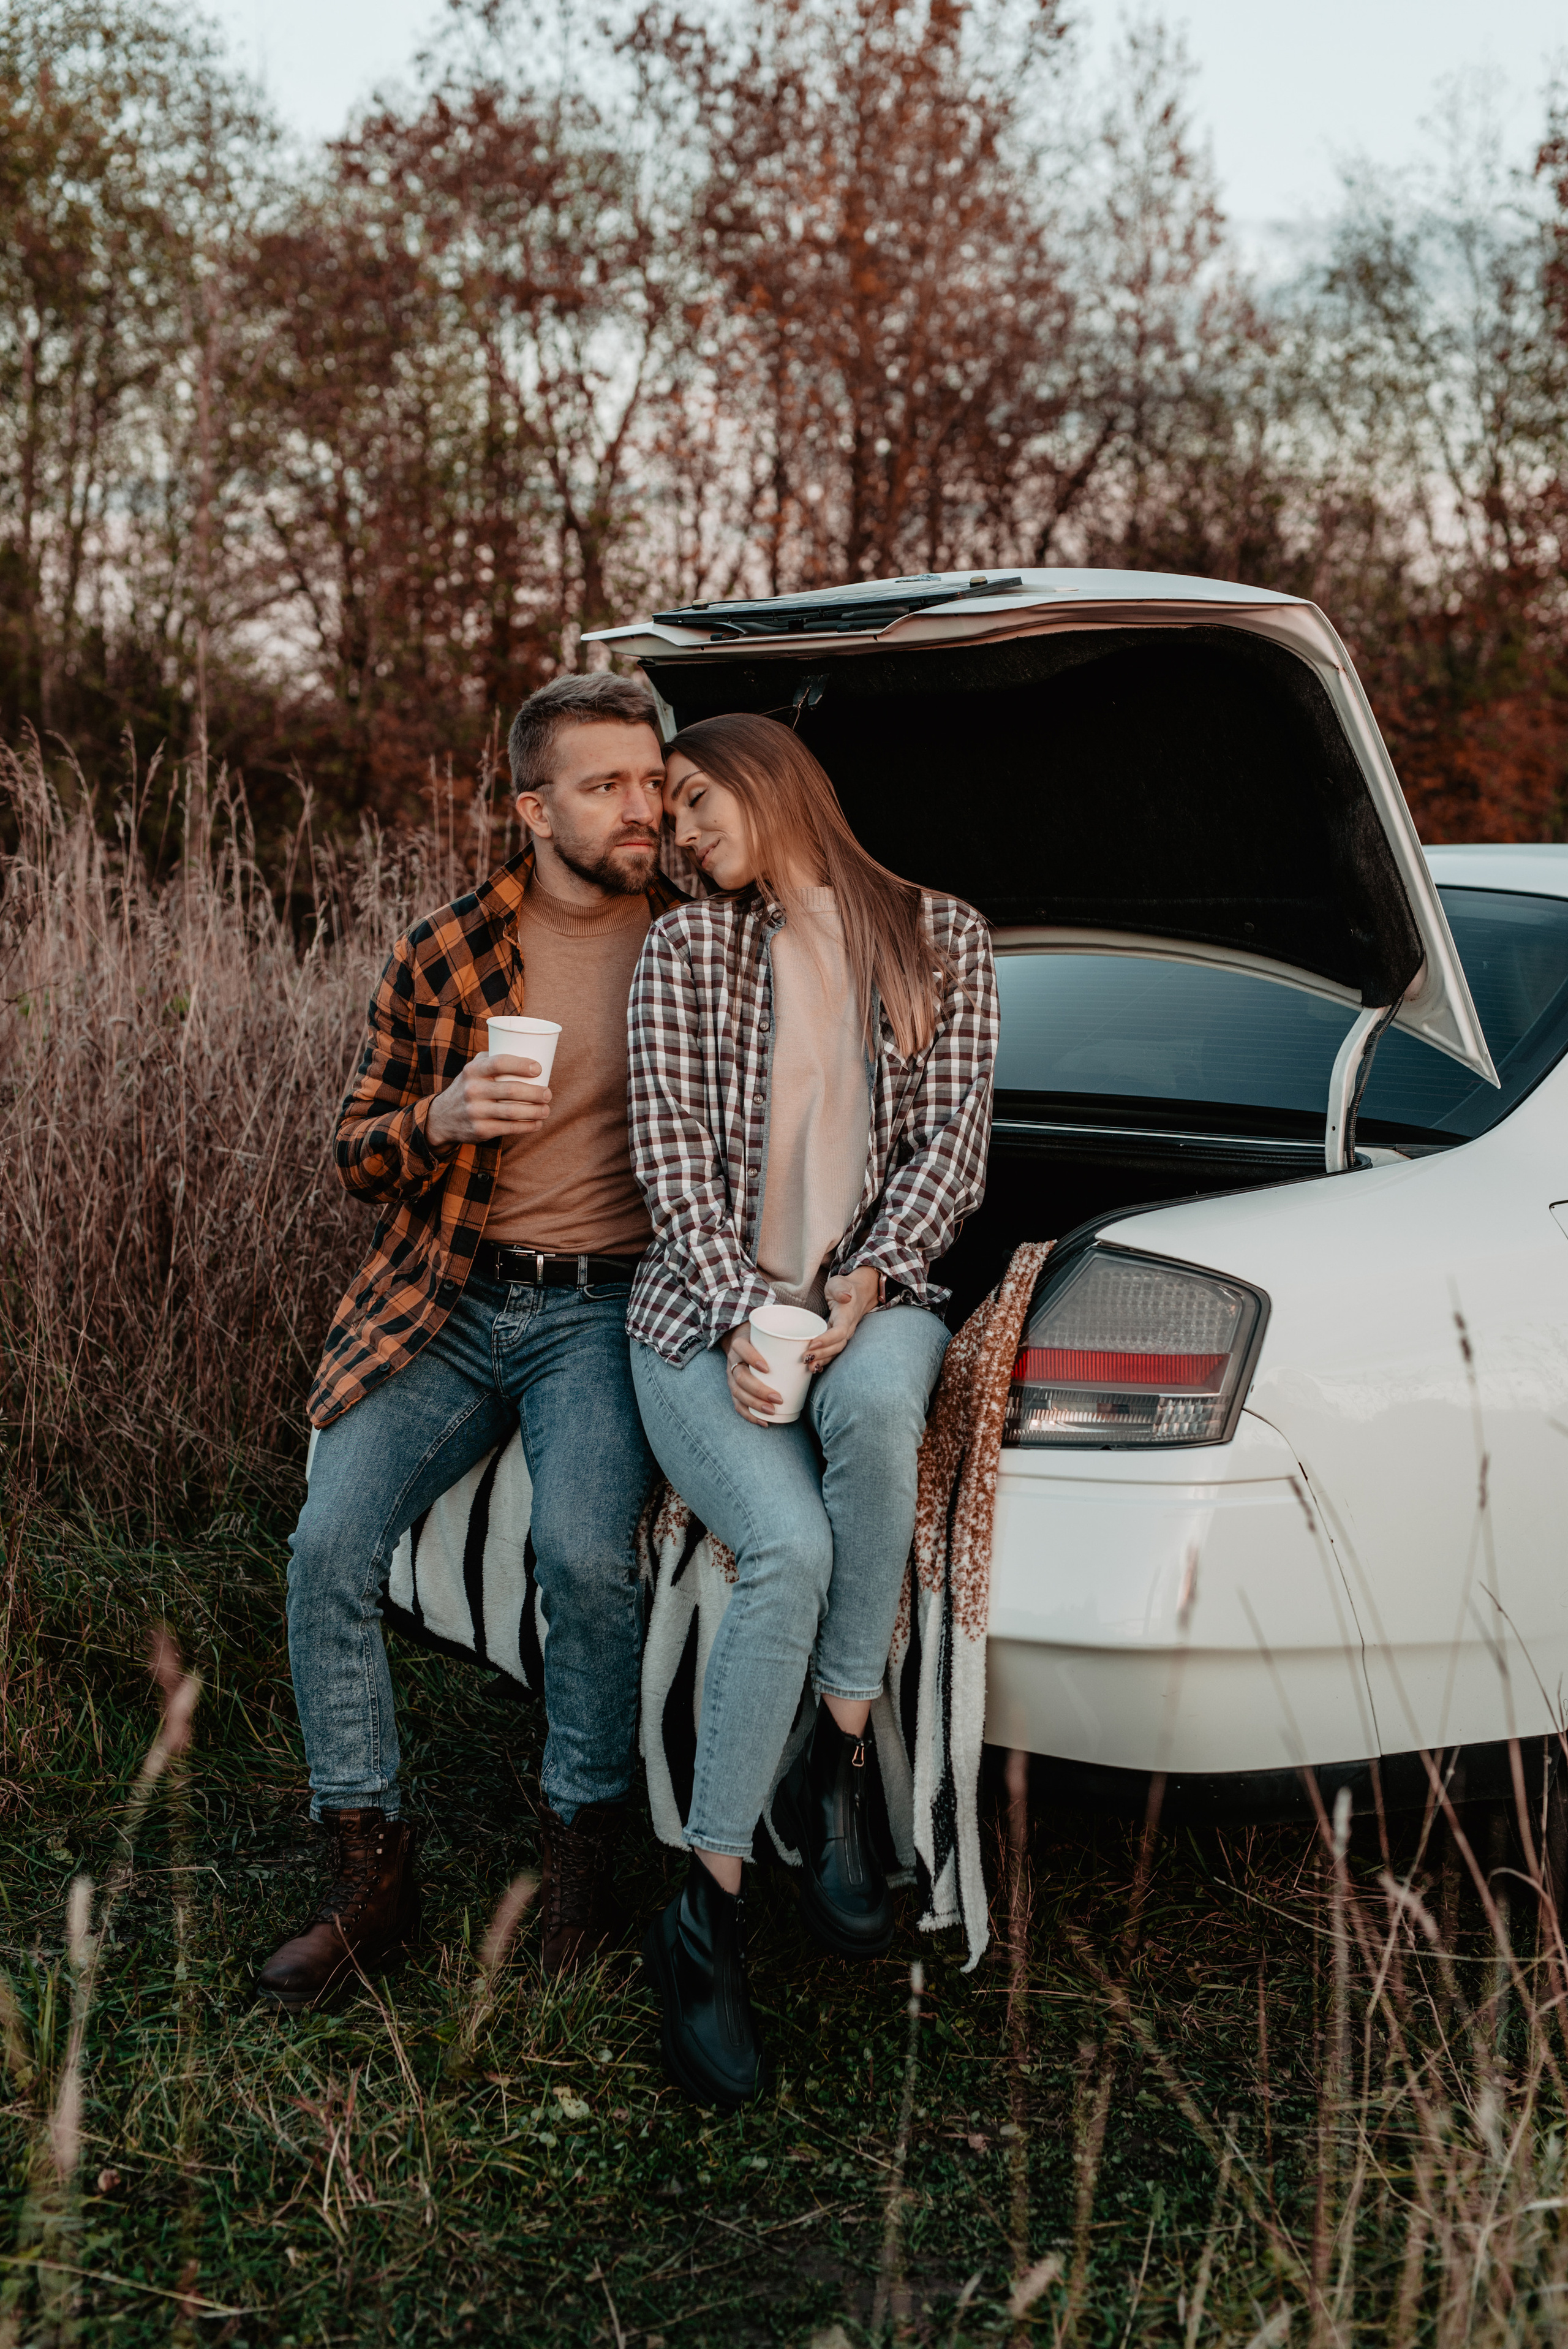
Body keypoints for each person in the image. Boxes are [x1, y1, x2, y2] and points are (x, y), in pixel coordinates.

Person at [257, 673, 684, 2010]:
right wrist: (438, 1120)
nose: (640, 805)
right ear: (530, 804)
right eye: (603, 784)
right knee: (325, 1548)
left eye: (649, 778)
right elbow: (352, 1147)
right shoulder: (445, 948)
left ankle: (578, 1866)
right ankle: (369, 1880)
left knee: (582, 1559)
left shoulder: (702, 938)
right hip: (446, 1297)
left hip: (604, 1311)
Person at [627, 711, 998, 2108]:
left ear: (769, 783)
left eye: (692, 799)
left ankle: (834, 1766)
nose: (677, 831)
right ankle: (703, 1908)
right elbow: (667, 1160)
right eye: (666, 814)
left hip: (878, 1297)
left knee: (881, 1417)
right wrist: (742, 1313)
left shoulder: (938, 937)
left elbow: (950, 1144)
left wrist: (861, 1290)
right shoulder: (685, 951)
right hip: (694, 1312)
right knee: (784, 1550)